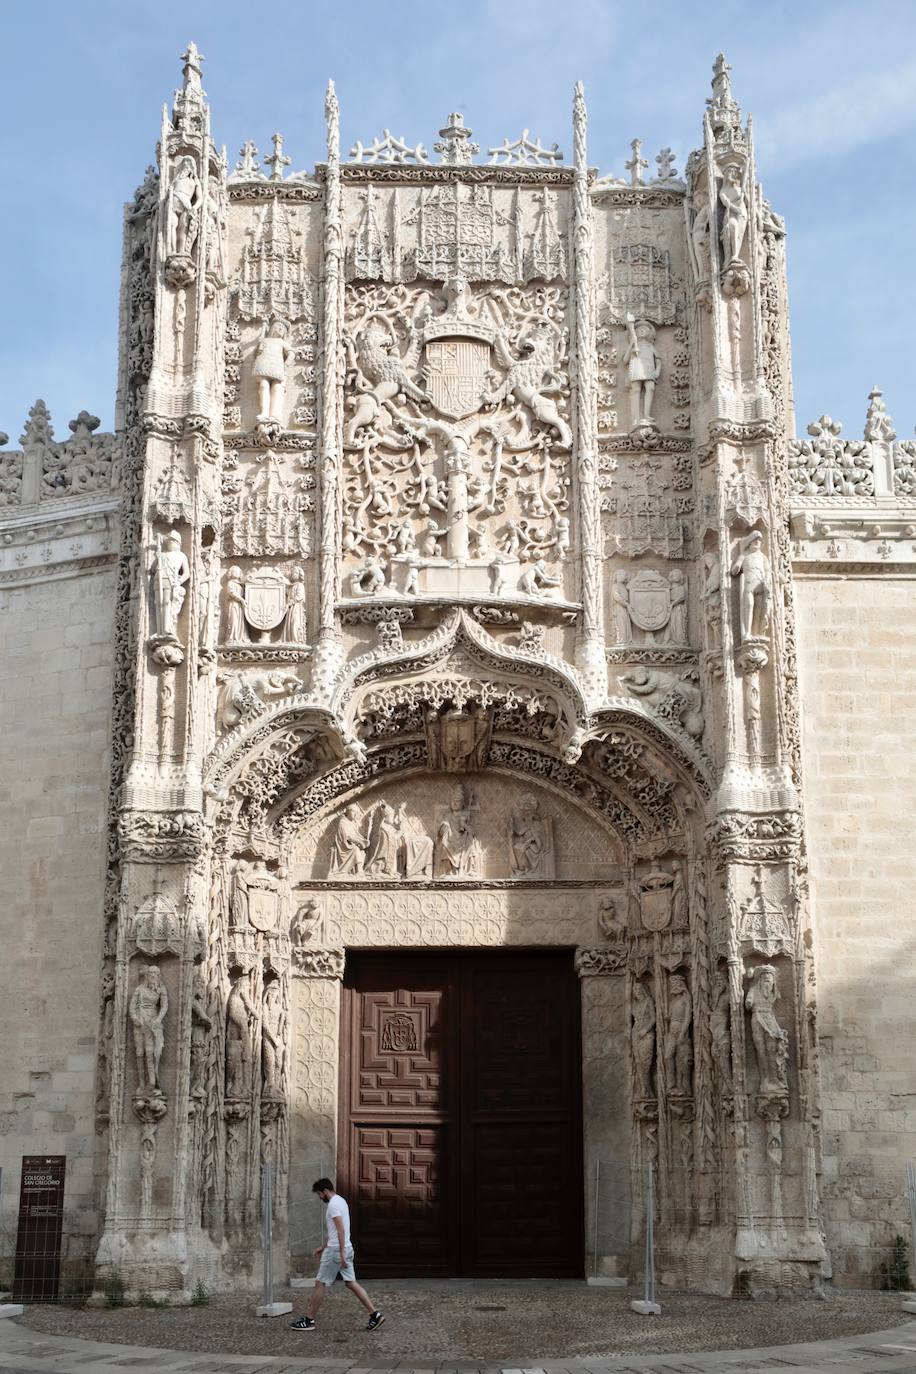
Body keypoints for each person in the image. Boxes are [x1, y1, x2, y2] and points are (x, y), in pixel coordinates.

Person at [290, 1179, 385, 1333]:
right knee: (351, 1283)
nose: (320, 1198)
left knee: (320, 1283)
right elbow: (336, 1231)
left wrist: (340, 1253)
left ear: (325, 1191)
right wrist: (323, 1247)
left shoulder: (333, 1205)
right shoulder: (341, 1201)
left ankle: (309, 1320)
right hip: (345, 1248)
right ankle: (375, 1314)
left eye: (320, 1194)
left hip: (336, 1251)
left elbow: (340, 1229)